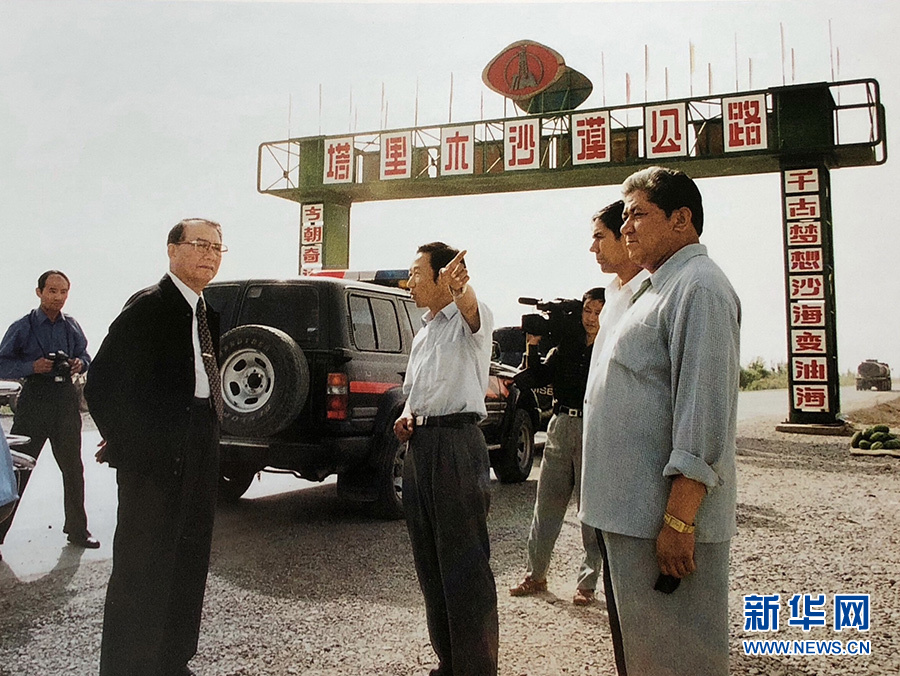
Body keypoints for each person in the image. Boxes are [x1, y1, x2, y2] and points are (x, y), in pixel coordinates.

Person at [580, 167, 740, 676]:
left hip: (662, 526)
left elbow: (704, 413)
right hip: (630, 519)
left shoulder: (699, 288)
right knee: (645, 658)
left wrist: (678, 521)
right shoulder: (652, 289)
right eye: (624, 216)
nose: (626, 226)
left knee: (679, 661)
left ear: (681, 219)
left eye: (638, 214)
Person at [85, 218, 226, 676]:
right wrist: (129, 445)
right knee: (142, 568)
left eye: (217, 248)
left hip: (201, 443)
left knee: (189, 559)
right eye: (200, 244)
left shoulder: (208, 312)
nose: (209, 255)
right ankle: (128, 666)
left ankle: (172, 659)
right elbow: (102, 383)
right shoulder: (149, 306)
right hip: (154, 458)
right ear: (172, 249)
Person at [393, 242, 498, 676]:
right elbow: (416, 392)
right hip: (421, 447)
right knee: (431, 563)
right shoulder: (423, 332)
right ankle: (449, 663)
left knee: (465, 567)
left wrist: (462, 289)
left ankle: (475, 670)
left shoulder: (472, 319)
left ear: (443, 276)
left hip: (457, 445)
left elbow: (469, 307)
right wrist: (406, 416)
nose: (410, 282)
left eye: (418, 273)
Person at [508, 287, 605, 606]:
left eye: (599, 312)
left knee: (590, 510)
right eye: (588, 311)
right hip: (561, 424)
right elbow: (535, 377)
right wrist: (532, 345)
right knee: (546, 504)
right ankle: (535, 575)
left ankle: (587, 584)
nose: (592, 318)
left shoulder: (610, 346)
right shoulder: (566, 346)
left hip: (594, 427)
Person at [0, 270, 97, 552]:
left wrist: (79, 363)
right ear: (39, 292)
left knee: (73, 468)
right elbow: (2, 363)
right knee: (19, 468)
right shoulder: (23, 326)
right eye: (52, 291)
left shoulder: (71, 326)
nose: (58, 297)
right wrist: (32, 367)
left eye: (63, 292)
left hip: (65, 400)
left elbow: (86, 355)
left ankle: (77, 531)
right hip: (35, 399)